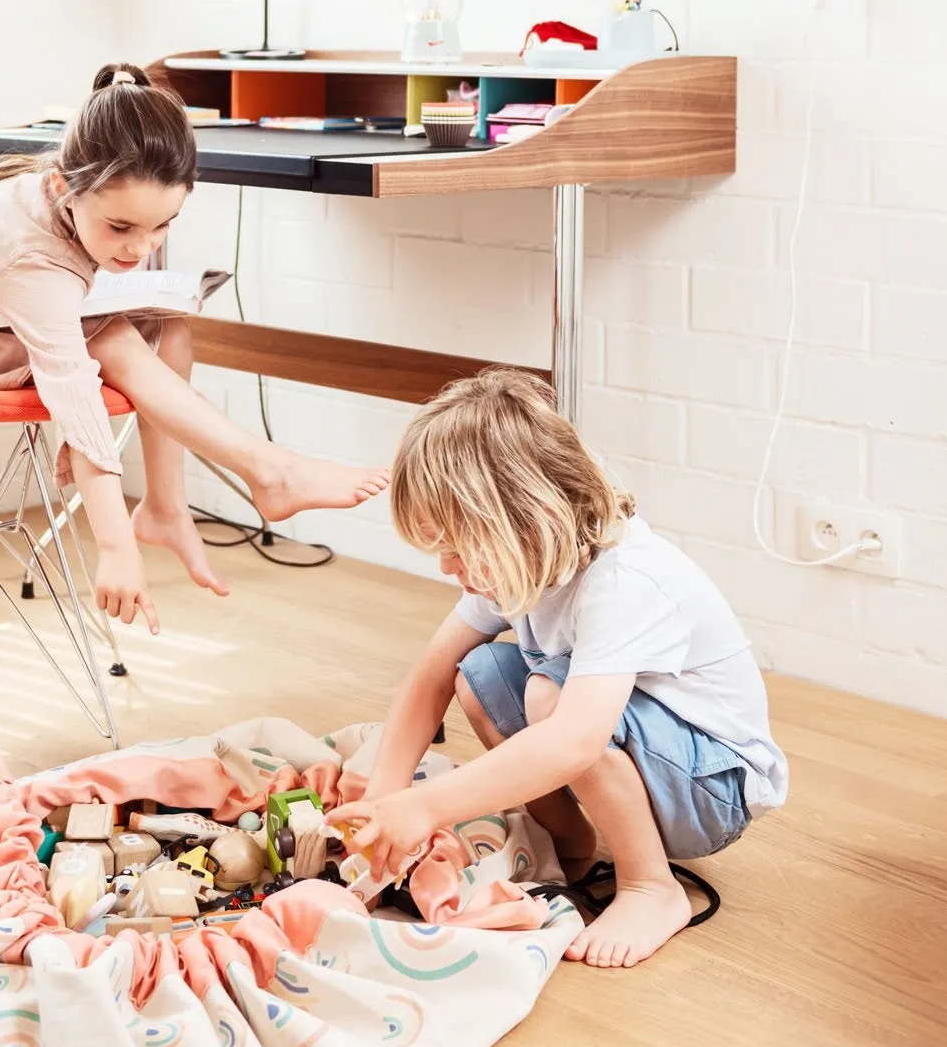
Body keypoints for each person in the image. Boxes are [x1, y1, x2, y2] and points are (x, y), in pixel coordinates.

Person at [0, 63, 387, 632]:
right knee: (107, 334)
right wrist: (113, 548)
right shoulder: (35, 263)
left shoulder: (60, 191)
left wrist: (126, 252)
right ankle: (270, 471)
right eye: (121, 228)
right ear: (64, 185)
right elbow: (74, 401)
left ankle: (165, 507)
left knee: (171, 328)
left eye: (163, 226)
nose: (141, 247)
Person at [330, 368, 787, 967]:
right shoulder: (517, 562)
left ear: (524, 520)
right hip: (649, 760)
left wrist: (427, 806)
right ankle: (570, 840)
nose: (447, 567)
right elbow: (433, 672)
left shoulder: (624, 581)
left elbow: (575, 740)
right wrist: (387, 796)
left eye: (457, 548)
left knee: (550, 698)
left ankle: (651, 885)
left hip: (711, 790)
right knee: (480, 674)